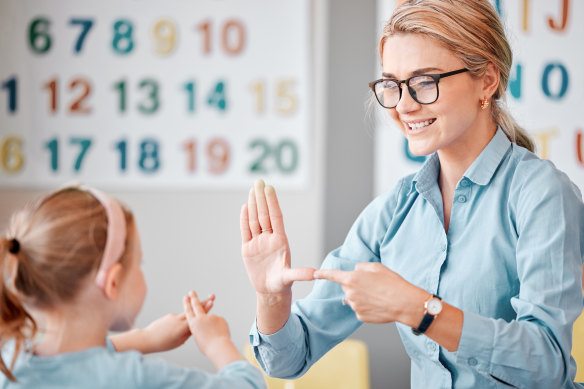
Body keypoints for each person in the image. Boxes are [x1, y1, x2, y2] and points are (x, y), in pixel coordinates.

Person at [240, 0, 584, 387]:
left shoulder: (541, 194)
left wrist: (420, 310)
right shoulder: (393, 212)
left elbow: (548, 362)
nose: (403, 105)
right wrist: (270, 296)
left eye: (424, 82)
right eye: (392, 84)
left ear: (487, 80)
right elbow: (290, 358)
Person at [0, 185, 266, 389]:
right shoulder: (135, 378)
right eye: (139, 262)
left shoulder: (11, 362)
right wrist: (217, 342)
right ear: (113, 282)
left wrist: (146, 339)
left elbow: (75, 361)